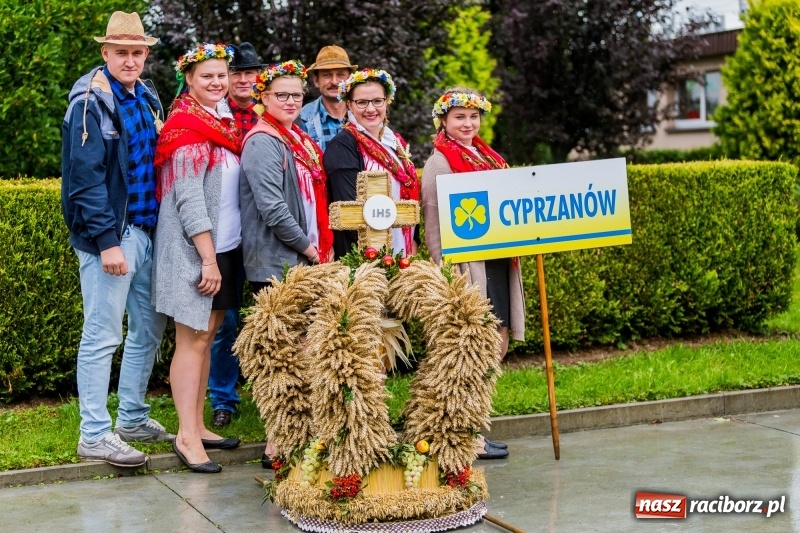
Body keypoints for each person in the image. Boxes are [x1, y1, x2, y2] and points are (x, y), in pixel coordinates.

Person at [61, 11, 173, 468]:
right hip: (114, 238)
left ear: (146, 55)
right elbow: (85, 181)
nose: (130, 60)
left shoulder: (145, 96)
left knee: (148, 329)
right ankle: (93, 433)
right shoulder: (90, 102)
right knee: (102, 336)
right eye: (120, 52)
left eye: (137, 52)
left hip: (145, 232)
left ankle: (130, 417)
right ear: (105, 53)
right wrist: (107, 242)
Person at [152, 43, 243, 473]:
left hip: (222, 245)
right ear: (189, 79)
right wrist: (207, 259)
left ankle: (199, 424)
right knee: (192, 340)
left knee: (209, 335)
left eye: (221, 75)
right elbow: (188, 199)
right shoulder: (187, 126)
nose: (216, 82)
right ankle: (186, 437)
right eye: (207, 75)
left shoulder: (221, 121)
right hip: (194, 249)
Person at [421, 87, 526, 460]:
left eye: (473, 116)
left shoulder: (487, 156)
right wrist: (446, 272)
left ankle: (475, 424)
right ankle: (464, 435)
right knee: (470, 350)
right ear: (444, 122)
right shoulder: (439, 163)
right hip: (469, 267)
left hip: (498, 260)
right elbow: (433, 225)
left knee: (497, 341)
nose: (468, 124)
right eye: (459, 117)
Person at [239, 60, 333, 466]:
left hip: (302, 257)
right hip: (278, 261)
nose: (291, 101)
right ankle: (277, 445)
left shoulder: (296, 137)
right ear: (263, 98)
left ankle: (301, 436)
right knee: (282, 357)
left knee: (303, 350)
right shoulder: (262, 141)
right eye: (282, 95)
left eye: (297, 94)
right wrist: (309, 250)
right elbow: (273, 209)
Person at [208, 42, 263, 430]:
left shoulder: (266, 116)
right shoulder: (217, 116)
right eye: (237, 73)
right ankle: (222, 397)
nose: (243, 80)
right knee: (223, 320)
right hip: (226, 231)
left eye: (249, 73)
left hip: (260, 232)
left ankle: (269, 392)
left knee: (267, 316)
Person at [323, 69, 419, 259]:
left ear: (387, 101)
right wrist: (373, 258)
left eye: (377, 101)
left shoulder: (394, 142)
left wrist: (414, 241)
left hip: (403, 249)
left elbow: (408, 196)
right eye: (362, 102)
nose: (371, 109)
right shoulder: (342, 146)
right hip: (366, 254)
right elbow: (350, 211)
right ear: (349, 105)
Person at [298, 45, 357, 152]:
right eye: (327, 75)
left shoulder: (363, 114)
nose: (334, 81)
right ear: (316, 80)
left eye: (340, 75)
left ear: (350, 80)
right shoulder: (303, 118)